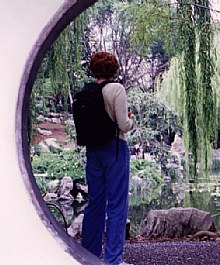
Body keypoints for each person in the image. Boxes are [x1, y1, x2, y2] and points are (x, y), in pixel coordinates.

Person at [81, 51, 134, 265]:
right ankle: (113, 260)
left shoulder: (87, 91)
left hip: (93, 151)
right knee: (117, 204)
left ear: (94, 70)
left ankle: (88, 256)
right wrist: (132, 121)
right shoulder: (116, 89)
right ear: (114, 70)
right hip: (115, 148)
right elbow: (124, 125)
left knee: (94, 203)